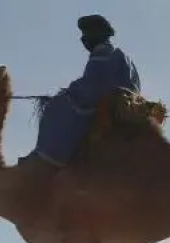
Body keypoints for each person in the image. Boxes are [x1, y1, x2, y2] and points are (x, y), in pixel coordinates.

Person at [30, 14, 142, 166]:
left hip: (110, 104)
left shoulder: (102, 54)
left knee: (55, 108)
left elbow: (92, 86)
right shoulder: (122, 56)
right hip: (124, 103)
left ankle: (53, 158)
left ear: (99, 32)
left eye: (87, 33)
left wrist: (67, 93)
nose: (83, 39)